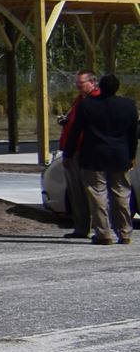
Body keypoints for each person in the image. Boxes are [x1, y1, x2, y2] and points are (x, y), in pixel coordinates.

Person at [71, 72, 137, 245]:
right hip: (120, 154)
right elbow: (132, 134)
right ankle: (124, 232)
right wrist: (131, 155)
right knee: (121, 193)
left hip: (94, 154)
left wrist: (69, 152)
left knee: (97, 194)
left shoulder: (87, 105)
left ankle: (103, 233)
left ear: (99, 86)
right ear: (117, 88)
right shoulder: (129, 105)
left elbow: (76, 130)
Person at [58, 71, 100, 237]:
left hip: (83, 151)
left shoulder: (95, 100)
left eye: (81, 83)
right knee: (76, 192)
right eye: (77, 83)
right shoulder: (79, 100)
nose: (77, 86)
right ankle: (82, 227)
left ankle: (98, 228)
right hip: (74, 150)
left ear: (92, 82)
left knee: (91, 192)